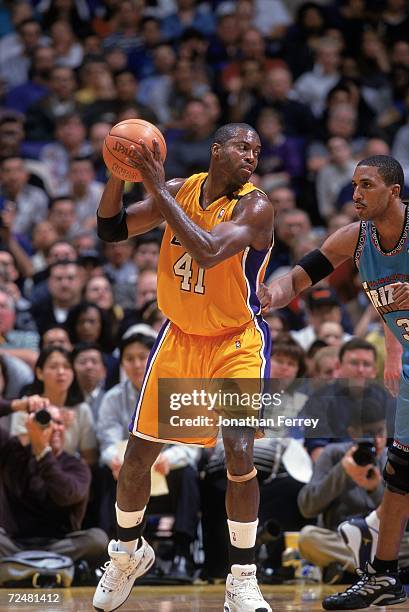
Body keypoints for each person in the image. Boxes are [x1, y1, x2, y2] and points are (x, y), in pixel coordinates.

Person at [94, 122, 274, 612]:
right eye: (242, 147)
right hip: (178, 339)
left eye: (257, 150)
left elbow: (210, 250)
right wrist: (119, 171)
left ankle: (242, 578)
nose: (252, 156)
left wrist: (153, 184)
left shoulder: (255, 206)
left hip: (234, 342)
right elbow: (111, 229)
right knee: (136, 458)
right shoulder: (179, 189)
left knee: (239, 453)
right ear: (216, 150)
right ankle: (127, 553)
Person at [259, 155, 409, 609]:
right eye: (353, 185)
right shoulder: (355, 238)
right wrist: (270, 295)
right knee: (400, 473)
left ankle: (371, 538)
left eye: (366, 185)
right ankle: (383, 575)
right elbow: (301, 276)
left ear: (394, 192)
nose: (356, 194)